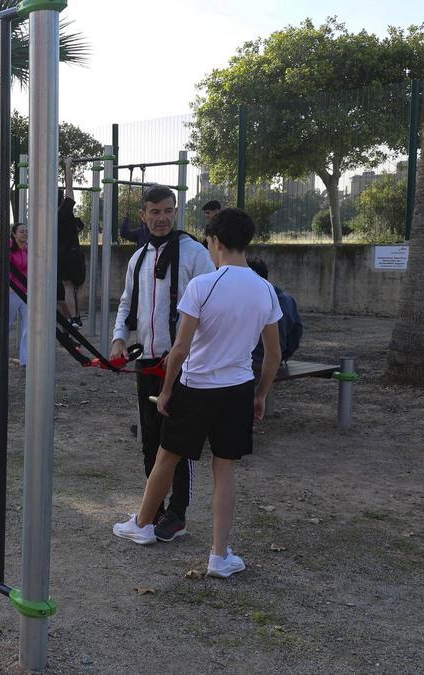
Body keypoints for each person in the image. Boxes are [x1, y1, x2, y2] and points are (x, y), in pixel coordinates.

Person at [113, 208, 283, 579]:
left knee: (167, 457)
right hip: (237, 390)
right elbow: (273, 354)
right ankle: (219, 555)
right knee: (226, 472)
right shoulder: (265, 289)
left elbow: (180, 348)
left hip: (196, 387)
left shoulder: (202, 286)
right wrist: (260, 394)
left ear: (216, 242)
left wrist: (168, 388)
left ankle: (142, 524)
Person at [110, 186, 215, 543]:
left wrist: (187, 351)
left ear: (176, 212)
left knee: (177, 443)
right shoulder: (138, 258)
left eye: (168, 211)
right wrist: (119, 337)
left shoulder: (195, 254)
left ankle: (177, 513)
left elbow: (210, 309)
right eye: (155, 211)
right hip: (148, 361)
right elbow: (127, 303)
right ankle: (151, 510)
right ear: (143, 215)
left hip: (183, 363)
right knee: (150, 438)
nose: (162, 218)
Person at [0, 223, 29, 367]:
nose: (25, 233)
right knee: (3, 325)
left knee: (29, 326)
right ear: (14, 234)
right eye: (22, 231)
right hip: (11, 291)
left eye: (26, 231)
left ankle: (26, 359)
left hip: (26, 292)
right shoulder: (8, 249)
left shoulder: (30, 249)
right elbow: (5, 269)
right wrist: (8, 286)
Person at [247, 258, 302, 363]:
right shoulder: (287, 300)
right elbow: (296, 332)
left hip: (251, 360)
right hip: (276, 357)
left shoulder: (244, 299)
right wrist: (283, 355)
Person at [58, 162, 86, 327]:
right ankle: (78, 316)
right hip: (73, 252)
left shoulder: (49, 214)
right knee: (81, 285)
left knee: (68, 286)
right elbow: (70, 187)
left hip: (60, 255)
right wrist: (68, 167)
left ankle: (73, 317)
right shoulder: (66, 210)